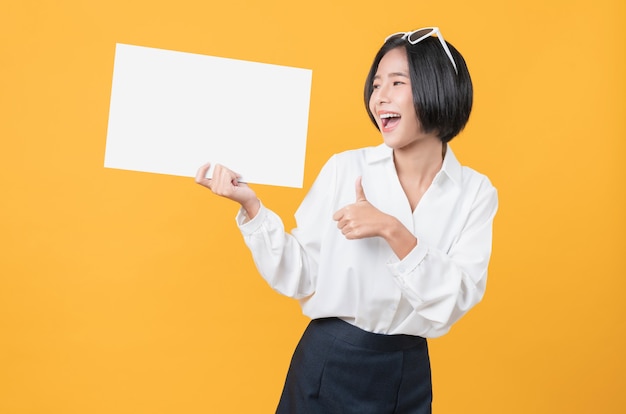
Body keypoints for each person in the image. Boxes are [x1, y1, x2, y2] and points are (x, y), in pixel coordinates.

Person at [195, 26, 498, 414]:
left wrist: (391, 229)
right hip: (328, 362)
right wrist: (252, 207)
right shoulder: (345, 168)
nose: (380, 97)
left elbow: (456, 299)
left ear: (438, 88)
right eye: (376, 85)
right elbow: (302, 276)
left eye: (396, 82)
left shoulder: (475, 192)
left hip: (406, 371)